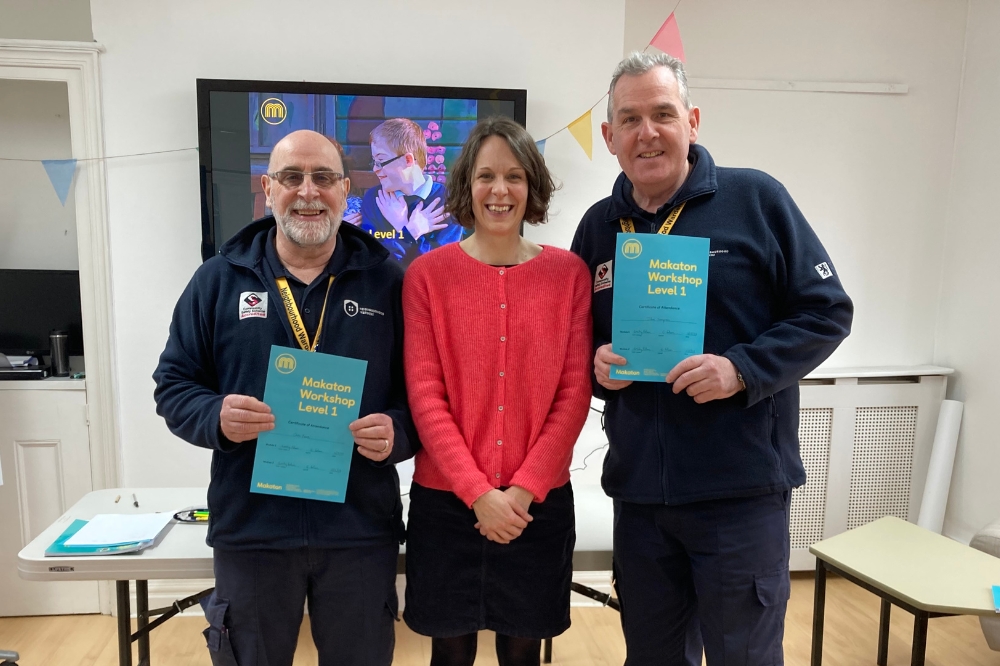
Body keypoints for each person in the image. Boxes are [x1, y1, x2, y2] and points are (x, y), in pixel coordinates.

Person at [570, 52, 854, 666]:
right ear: (609, 136)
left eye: (663, 114)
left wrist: (741, 370)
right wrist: (597, 365)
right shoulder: (598, 227)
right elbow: (580, 341)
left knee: (743, 657)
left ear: (692, 121)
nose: (648, 132)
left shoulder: (757, 200)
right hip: (641, 498)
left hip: (739, 495)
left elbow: (826, 312)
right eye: (631, 118)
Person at [153, 129, 418, 666]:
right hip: (252, 530)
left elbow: (425, 397)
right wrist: (215, 416)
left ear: (345, 190)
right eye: (292, 177)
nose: (308, 191)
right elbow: (173, 385)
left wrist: (398, 432)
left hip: (358, 531)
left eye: (323, 178)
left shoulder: (390, 282)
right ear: (267, 188)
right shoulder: (218, 281)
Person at [402, 116, 593, 666]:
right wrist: (478, 493)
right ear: (467, 186)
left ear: (531, 185)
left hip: (537, 506)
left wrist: (523, 490)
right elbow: (425, 393)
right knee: (450, 653)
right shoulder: (427, 276)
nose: (500, 190)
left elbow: (574, 392)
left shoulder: (569, 275)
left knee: (523, 653)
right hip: (447, 505)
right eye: (486, 176)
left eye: (513, 176)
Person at [349, 117, 467, 265]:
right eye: (374, 161)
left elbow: (443, 265)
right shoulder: (374, 198)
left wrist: (402, 229)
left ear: (408, 160)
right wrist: (410, 232)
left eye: (381, 161)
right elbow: (374, 262)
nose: (375, 169)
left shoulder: (447, 201)